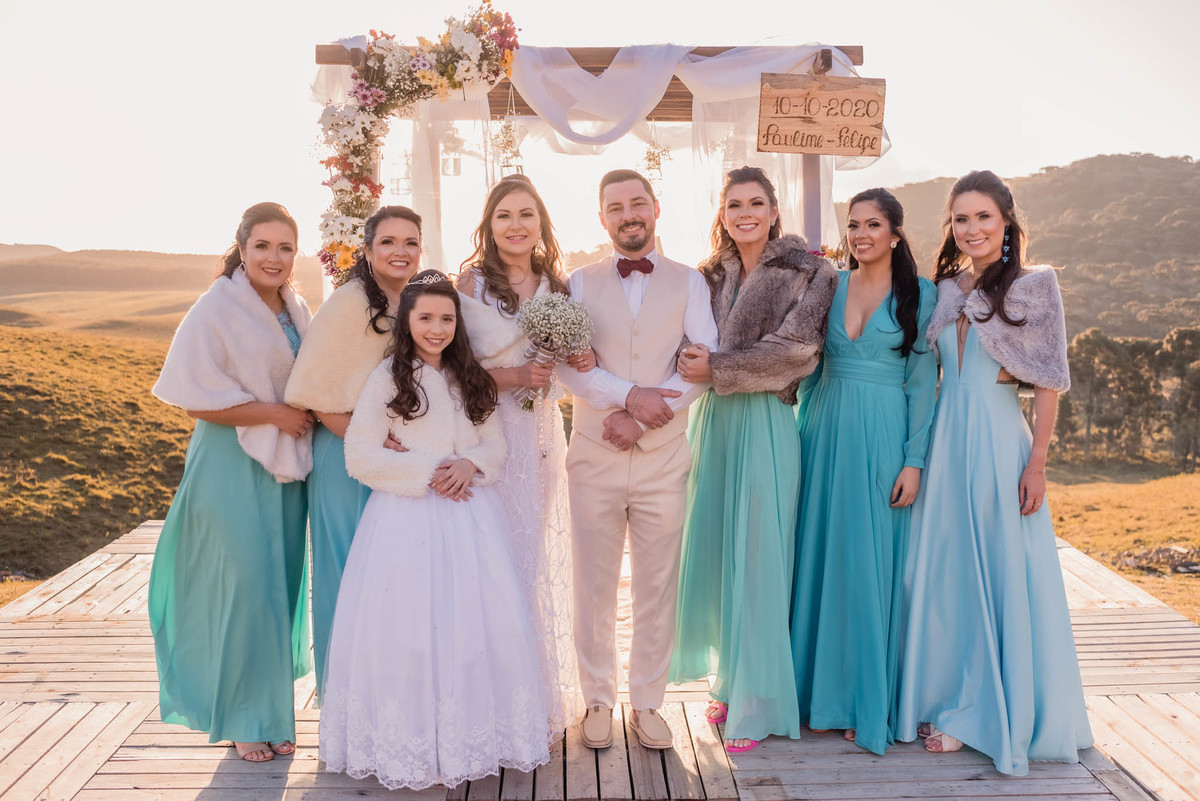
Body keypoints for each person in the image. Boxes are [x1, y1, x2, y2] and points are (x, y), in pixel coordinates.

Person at [319, 271, 550, 790]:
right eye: (425, 317)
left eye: (447, 318)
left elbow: (494, 446)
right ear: (408, 322)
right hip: (406, 518)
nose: (437, 328)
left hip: (471, 517)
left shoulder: (470, 378)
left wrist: (468, 464)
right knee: (410, 624)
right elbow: (360, 454)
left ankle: (475, 736)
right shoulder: (388, 378)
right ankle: (411, 743)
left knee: (472, 623)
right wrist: (429, 473)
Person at [896, 170, 1093, 775]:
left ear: (1006, 221)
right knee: (944, 569)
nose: (972, 228)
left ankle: (983, 711)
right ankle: (940, 697)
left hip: (999, 441)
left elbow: (1050, 380)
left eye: (983, 216)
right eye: (961, 218)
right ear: (950, 227)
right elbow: (923, 376)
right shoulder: (945, 289)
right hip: (946, 440)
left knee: (999, 569)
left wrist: (1037, 464)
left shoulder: (1037, 286)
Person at [670, 166, 836, 753]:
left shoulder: (810, 270)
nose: (744, 213)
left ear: (773, 209)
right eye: (734, 203)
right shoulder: (708, 274)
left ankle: (760, 699)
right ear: (722, 213)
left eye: (755, 202)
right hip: (712, 422)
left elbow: (797, 353)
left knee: (761, 554)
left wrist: (717, 369)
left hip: (767, 420)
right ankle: (730, 679)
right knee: (720, 550)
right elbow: (681, 342)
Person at [557, 169, 718, 751]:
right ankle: (597, 699)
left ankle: (648, 701)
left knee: (656, 585)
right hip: (594, 457)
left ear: (655, 208)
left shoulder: (690, 281)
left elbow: (702, 363)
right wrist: (627, 398)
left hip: (663, 459)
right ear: (602, 218)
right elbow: (569, 364)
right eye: (615, 206)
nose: (628, 214)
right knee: (593, 584)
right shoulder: (577, 282)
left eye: (637, 203)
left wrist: (649, 416)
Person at [149, 202, 314, 763]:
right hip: (231, 461)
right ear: (242, 249)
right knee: (244, 586)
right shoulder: (214, 309)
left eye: (285, 247)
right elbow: (197, 398)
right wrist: (274, 415)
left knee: (277, 588)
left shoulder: (296, 308)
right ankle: (244, 719)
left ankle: (272, 714)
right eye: (263, 246)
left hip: (284, 465)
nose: (275, 257)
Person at [788, 188, 937, 756]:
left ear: (896, 234)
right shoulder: (829, 285)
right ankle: (812, 698)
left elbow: (924, 385)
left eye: (873, 225)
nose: (861, 234)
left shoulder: (920, 296)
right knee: (819, 557)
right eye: (853, 225)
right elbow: (803, 362)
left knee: (869, 565)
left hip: (882, 437)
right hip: (821, 428)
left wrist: (914, 461)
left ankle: (861, 700)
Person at [455, 174, 585, 736]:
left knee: (530, 567)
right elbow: (449, 365)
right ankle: (486, 706)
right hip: (487, 429)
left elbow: (574, 360)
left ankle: (532, 702)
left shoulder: (557, 286)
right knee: (491, 564)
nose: (515, 225)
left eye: (526, 214)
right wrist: (514, 375)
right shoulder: (470, 285)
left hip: (540, 433)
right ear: (489, 224)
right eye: (504, 215)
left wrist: (572, 358)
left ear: (541, 223)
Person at [285, 206, 421, 698]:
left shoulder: (411, 301)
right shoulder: (349, 303)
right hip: (344, 455)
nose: (400, 251)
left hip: (390, 461)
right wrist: (371, 441)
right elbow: (318, 394)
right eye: (388, 242)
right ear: (367, 251)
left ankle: (383, 697)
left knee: (387, 573)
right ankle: (341, 701)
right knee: (344, 573)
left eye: (410, 242)